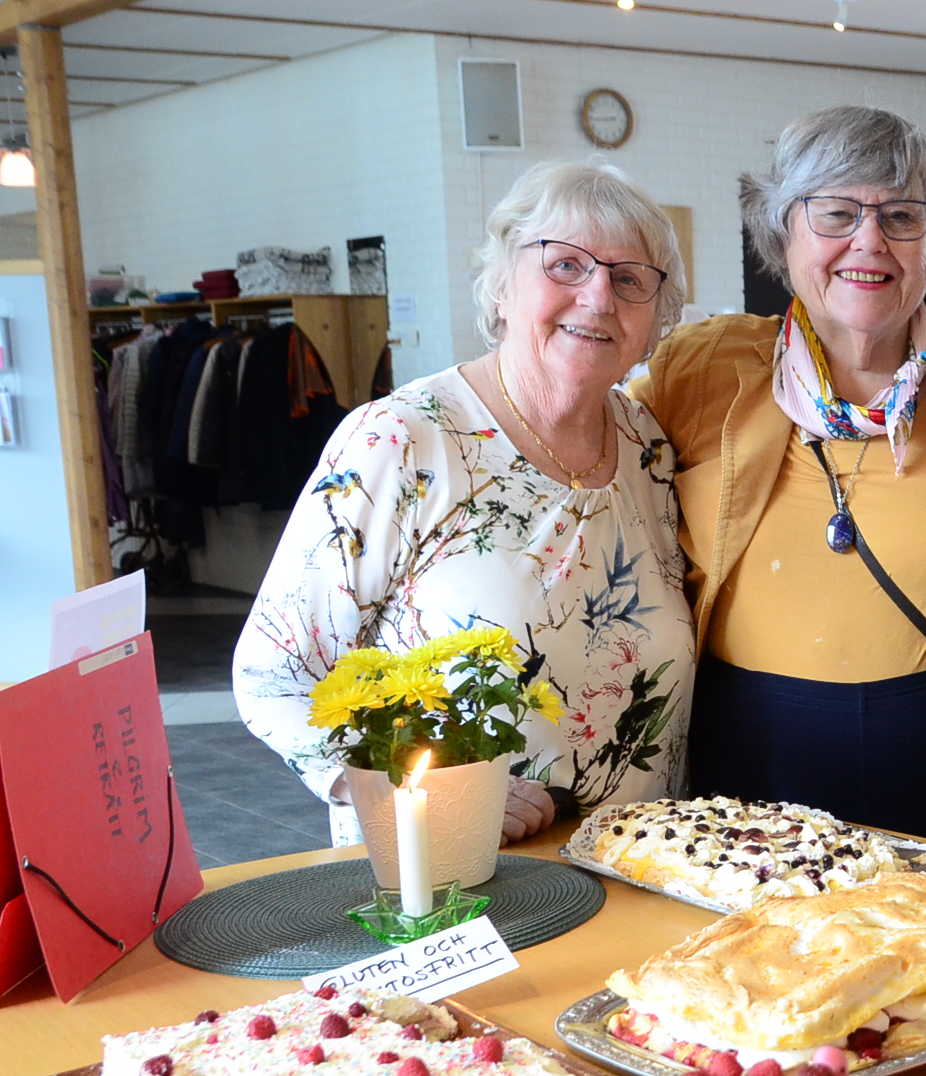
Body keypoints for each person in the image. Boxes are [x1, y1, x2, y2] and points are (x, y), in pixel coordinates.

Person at [636, 106, 926, 855]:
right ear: (783, 231)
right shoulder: (700, 372)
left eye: (901, 215)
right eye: (836, 213)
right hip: (752, 768)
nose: (868, 241)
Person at [237, 159, 695, 843]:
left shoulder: (648, 449)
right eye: (566, 265)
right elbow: (272, 677)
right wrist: (433, 791)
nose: (598, 297)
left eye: (629, 279)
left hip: (635, 873)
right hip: (454, 880)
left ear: (655, 315)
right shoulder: (401, 440)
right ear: (503, 283)